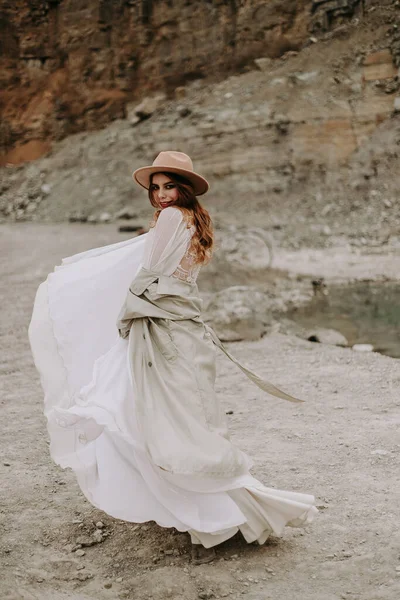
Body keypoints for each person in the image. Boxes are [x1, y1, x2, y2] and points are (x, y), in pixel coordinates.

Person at [29, 150, 317, 565]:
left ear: (184, 188)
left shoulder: (170, 219)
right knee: (175, 415)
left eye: (169, 186)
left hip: (162, 328)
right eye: (156, 188)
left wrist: (127, 312)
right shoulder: (197, 222)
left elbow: (149, 275)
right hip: (185, 328)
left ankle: (202, 508)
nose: (162, 195)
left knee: (142, 410)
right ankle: (216, 507)